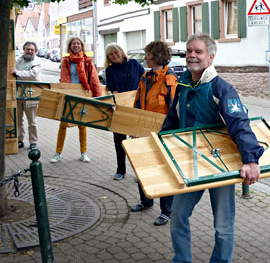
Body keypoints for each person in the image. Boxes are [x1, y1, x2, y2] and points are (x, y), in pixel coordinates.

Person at [161, 33, 264, 262]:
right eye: (189, 51)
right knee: (178, 217)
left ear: (210, 57)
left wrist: (250, 159)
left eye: (198, 52)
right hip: (190, 163)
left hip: (220, 165)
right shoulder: (183, 85)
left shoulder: (222, 88)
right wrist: (160, 147)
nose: (192, 56)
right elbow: (172, 121)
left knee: (223, 225)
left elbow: (239, 123)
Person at [130, 41, 178, 226]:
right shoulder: (144, 77)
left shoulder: (169, 80)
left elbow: (173, 111)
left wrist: (165, 134)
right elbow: (137, 104)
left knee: (164, 171)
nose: (145, 58)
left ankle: (167, 211)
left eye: (148, 54)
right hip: (142, 132)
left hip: (162, 135)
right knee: (141, 166)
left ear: (156, 56)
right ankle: (145, 201)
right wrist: (135, 128)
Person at [50, 37, 102, 164]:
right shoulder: (66, 61)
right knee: (63, 124)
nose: (76, 45)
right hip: (68, 94)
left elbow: (94, 79)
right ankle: (58, 154)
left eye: (78, 43)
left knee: (82, 125)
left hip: (83, 94)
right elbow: (63, 79)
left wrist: (97, 96)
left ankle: (84, 153)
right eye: (74, 43)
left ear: (81, 45)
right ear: (70, 46)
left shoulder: (87, 60)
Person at [104, 43, 145, 180]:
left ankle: (140, 172)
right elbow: (113, 90)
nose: (114, 56)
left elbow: (144, 80)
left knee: (137, 140)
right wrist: (122, 103)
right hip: (121, 107)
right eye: (111, 54)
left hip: (137, 106)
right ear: (108, 57)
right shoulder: (110, 71)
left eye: (116, 52)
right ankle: (121, 170)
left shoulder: (133, 63)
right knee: (119, 140)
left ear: (121, 52)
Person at [9, 41, 42, 150]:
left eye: (32, 50)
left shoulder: (37, 62)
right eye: (28, 49)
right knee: (18, 120)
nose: (30, 51)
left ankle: (33, 141)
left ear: (35, 52)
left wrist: (18, 72)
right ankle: (19, 140)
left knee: (32, 121)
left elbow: (32, 75)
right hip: (17, 95)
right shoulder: (17, 61)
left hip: (31, 94)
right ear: (24, 50)